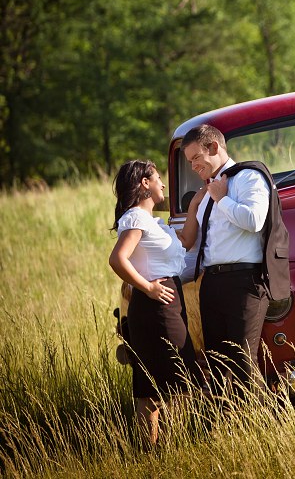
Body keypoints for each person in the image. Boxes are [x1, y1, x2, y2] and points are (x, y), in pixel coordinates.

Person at [108, 160, 201, 448]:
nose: (163, 184)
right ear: (144, 183)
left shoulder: (152, 222)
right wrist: (147, 287)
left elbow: (186, 240)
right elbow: (117, 258)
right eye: (158, 178)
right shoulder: (136, 217)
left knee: (154, 382)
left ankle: (154, 452)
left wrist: (196, 204)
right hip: (156, 305)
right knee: (180, 377)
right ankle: (171, 448)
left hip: (165, 302)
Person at [179, 124, 272, 397]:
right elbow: (199, 249)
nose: (194, 166)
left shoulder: (248, 178)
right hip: (211, 284)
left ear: (214, 147)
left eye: (196, 158)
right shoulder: (204, 195)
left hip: (245, 282)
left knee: (244, 363)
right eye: (189, 162)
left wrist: (221, 199)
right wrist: (168, 281)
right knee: (217, 365)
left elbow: (254, 220)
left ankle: (261, 426)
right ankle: (229, 428)